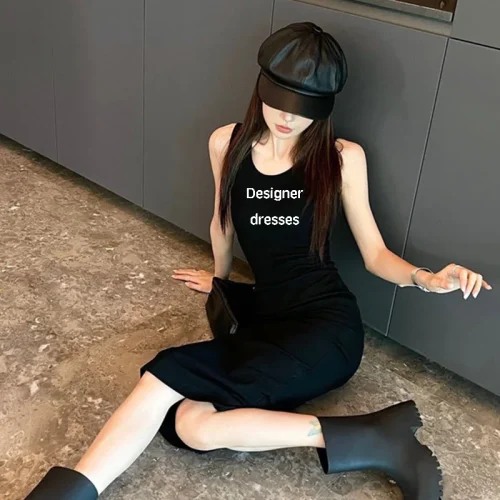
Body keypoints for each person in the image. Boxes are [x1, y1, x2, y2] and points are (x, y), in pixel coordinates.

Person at [25, 21, 492, 500]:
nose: (287, 117)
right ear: (261, 88)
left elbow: (374, 255)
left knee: (163, 377)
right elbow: (222, 223)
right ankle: (370, 435)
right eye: (279, 101)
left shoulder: (340, 158)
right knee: (192, 425)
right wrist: (221, 284)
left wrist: (427, 278)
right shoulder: (227, 144)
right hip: (264, 317)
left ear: (323, 107)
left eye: (303, 107)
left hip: (325, 327)